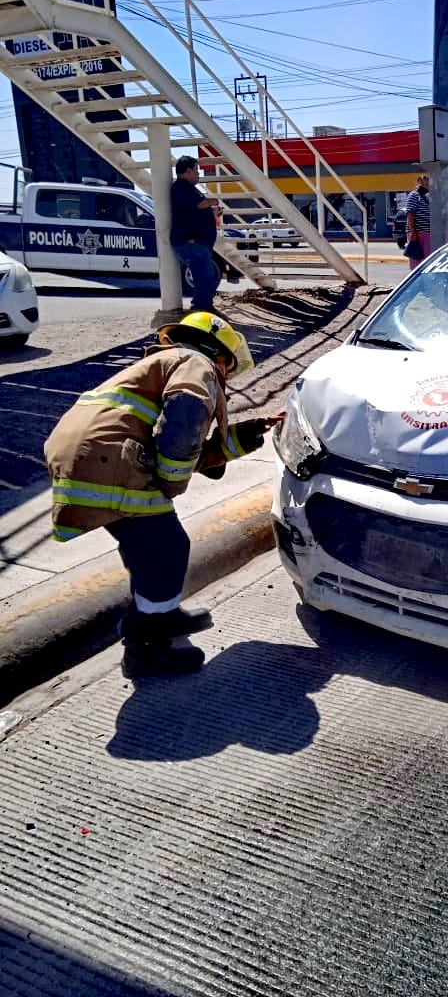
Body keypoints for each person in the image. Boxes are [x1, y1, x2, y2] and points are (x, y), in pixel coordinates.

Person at [43, 312, 284, 679]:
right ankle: (147, 649)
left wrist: (250, 432)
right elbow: (183, 425)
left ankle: (158, 613)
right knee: (166, 548)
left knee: (149, 549)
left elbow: (184, 445)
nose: (225, 374)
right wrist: (171, 483)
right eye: (227, 366)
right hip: (110, 459)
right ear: (220, 355)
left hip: (89, 456)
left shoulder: (159, 366)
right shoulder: (197, 362)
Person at [170, 155, 223, 311]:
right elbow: (199, 204)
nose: (198, 173)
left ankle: (205, 306)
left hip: (197, 242)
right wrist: (213, 202)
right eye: (196, 170)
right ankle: (200, 308)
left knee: (207, 276)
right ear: (188, 171)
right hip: (192, 242)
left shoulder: (187, 189)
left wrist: (211, 213)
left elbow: (194, 210)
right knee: (203, 277)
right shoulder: (181, 187)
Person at [405, 173, 431, 269]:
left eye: (427, 183)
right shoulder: (414, 195)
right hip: (418, 234)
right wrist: (413, 233)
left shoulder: (428, 196)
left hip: (428, 233)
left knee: (428, 262)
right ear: (418, 183)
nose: (425, 185)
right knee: (418, 263)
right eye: (423, 183)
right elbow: (410, 213)